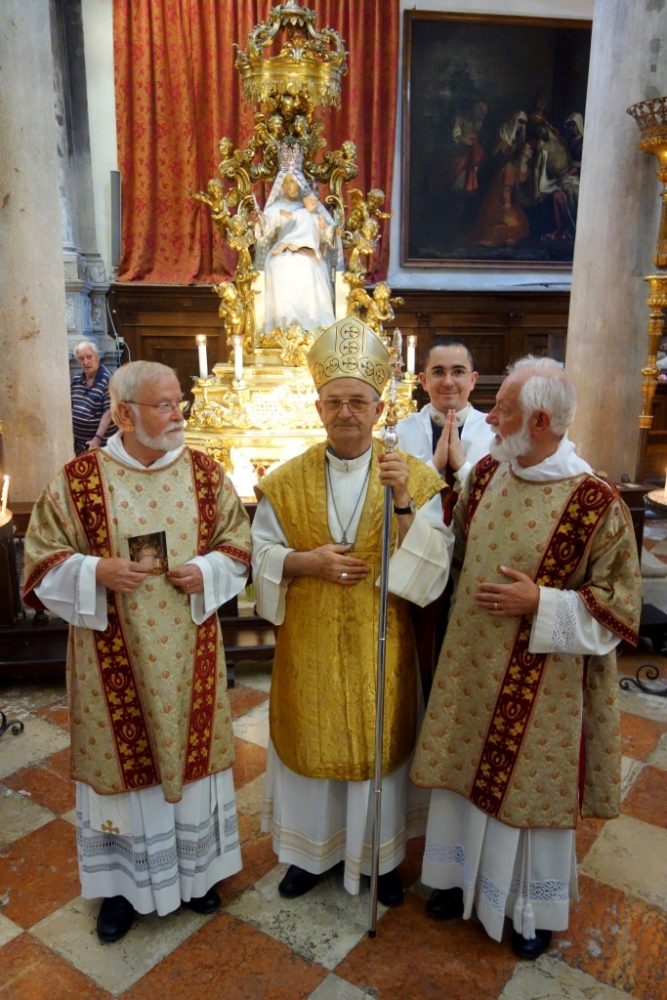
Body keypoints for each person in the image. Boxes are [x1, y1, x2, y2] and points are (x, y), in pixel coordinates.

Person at [411, 356, 642, 960]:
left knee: (528, 794)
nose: (489, 417)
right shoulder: (486, 473)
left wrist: (542, 601)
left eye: (503, 409)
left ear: (540, 421)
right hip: (469, 666)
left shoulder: (595, 502)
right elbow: (456, 549)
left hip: (542, 683)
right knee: (461, 771)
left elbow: (620, 605)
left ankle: (529, 908)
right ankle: (454, 878)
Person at [23, 361, 252, 943]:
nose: (178, 415)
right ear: (124, 414)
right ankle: (122, 890)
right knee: (125, 769)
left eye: (179, 403)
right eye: (164, 405)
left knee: (191, 766)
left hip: (190, 655)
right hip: (111, 659)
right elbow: (41, 559)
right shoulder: (78, 481)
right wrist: (94, 571)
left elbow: (238, 543)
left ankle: (198, 875)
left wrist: (208, 570)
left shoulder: (206, 474)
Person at [251, 316, 453, 907]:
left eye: (357, 402)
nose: (345, 412)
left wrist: (404, 501)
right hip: (309, 641)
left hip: (378, 641)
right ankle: (308, 856)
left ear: (379, 408)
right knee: (309, 741)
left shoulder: (410, 476)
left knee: (376, 746)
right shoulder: (285, 481)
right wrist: (304, 562)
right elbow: (258, 554)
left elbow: (435, 567)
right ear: (318, 408)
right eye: (334, 401)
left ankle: (379, 860)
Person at [396, 338, 495, 503]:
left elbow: (498, 500)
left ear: (472, 380)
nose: (448, 382)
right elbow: (392, 501)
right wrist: (434, 465)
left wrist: (462, 467)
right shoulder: (400, 433)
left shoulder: (494, 433)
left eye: (458, 372)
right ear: (423, 380)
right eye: (438, 372)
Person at [255, 169, 337, 334]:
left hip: (308, 252)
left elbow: (326, 233)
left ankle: (312, 323)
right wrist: (261, 223)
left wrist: (325, 229)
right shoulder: (275, 208)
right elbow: (265, 232)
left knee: (309, 266)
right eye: (285, 182)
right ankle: (283, 323)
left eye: (292, 181)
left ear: (300, 183)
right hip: (282, 252)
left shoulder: (311, 207)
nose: (288, 186)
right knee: (278, 266)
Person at [70, 340, 116, 455]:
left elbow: (109, 412)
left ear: (97, 357)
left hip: (100, 445)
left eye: (89, 357)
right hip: (79, 444)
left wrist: (97, 439)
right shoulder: (76, 380)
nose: (85, 362)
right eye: (81, 358)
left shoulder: (108, 380)